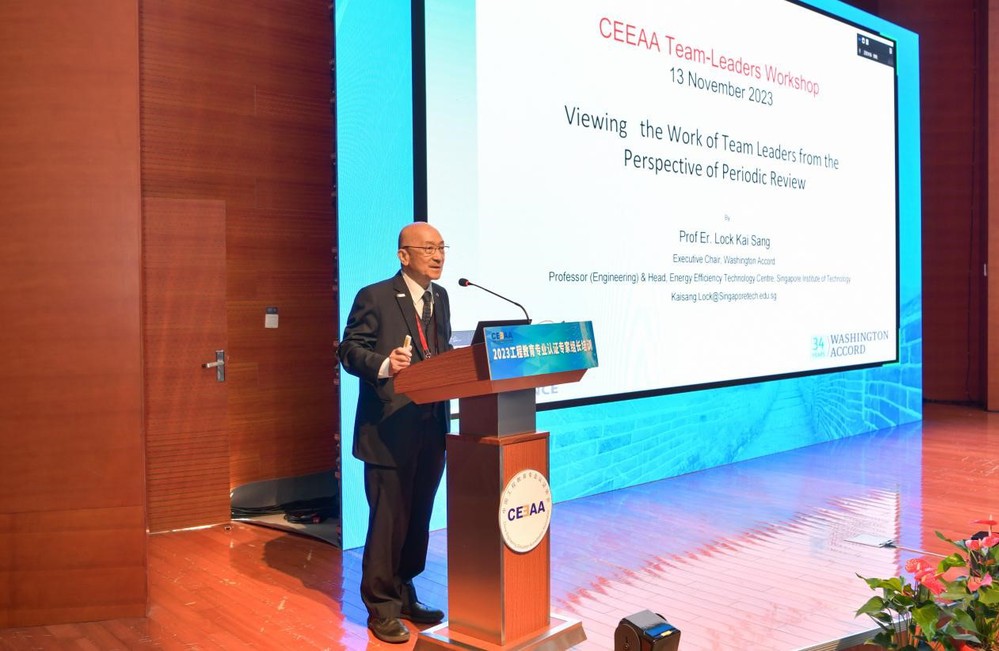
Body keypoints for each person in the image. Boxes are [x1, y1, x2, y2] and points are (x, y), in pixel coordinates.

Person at [338, 221, 452, 644]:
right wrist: (385, 364)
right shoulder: (375, 296)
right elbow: (349, 350)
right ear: (403, 255)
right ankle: (381, 607)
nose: (438, 256)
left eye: (442, 247)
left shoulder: (440, 297)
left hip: (430, 427)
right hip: (388, 429)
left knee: (418, 518)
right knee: (388, 521)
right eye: (428, 248)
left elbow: (438, 353)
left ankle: (404, 591)